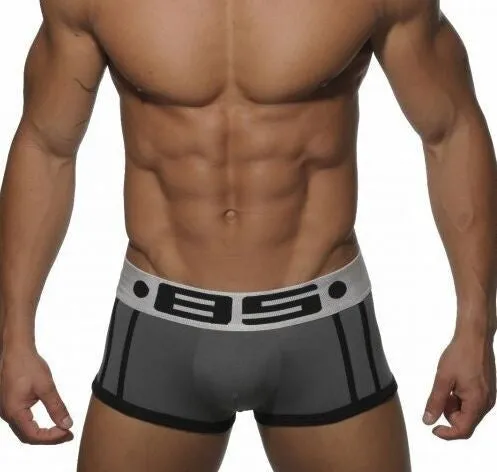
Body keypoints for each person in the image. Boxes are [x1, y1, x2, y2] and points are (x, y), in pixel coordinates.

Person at [0, 0, 495, 470]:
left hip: (323, 326)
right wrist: (14, 338)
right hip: (159, 326)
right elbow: (47, 145)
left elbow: (451, 130)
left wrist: (476, 329)